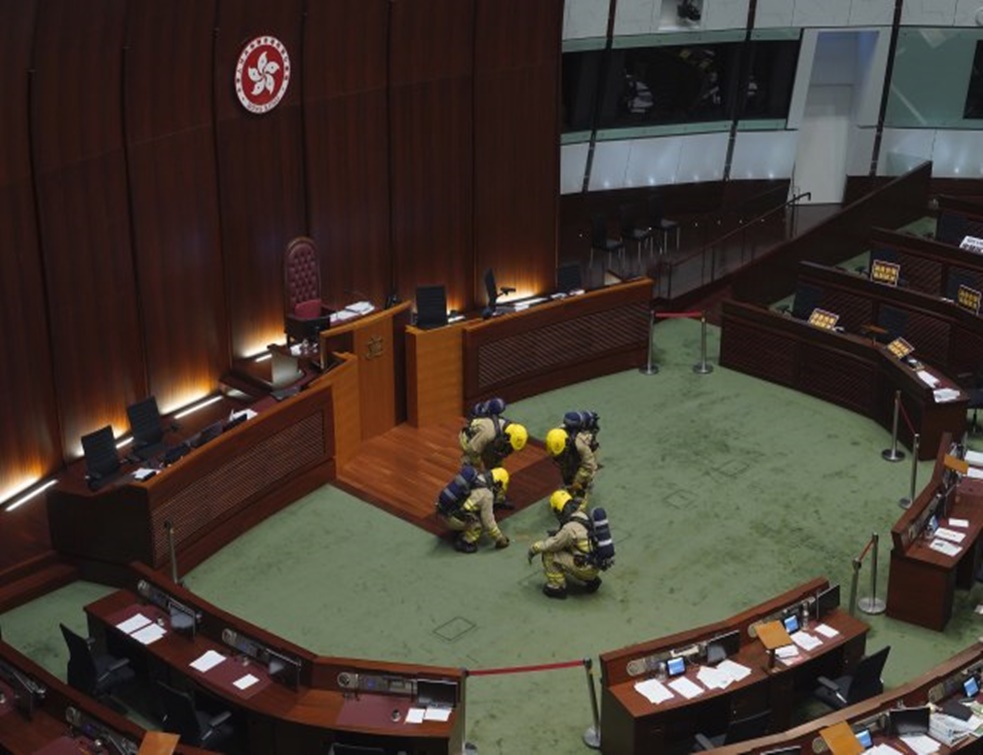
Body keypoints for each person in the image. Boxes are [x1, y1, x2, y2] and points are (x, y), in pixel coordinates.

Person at [527, 490, 601, 599]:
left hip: (585, 567)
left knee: (549, 554)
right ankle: (592, 580)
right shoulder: (584, 516)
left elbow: (552, 545)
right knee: (577, 549)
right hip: (596, 563)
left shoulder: (569, 528)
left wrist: (535, 548)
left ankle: (557, 587)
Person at [437, 467, 511, 554]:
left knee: (470, 512)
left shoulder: (477, 478)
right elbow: (489, 523)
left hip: (444, 511)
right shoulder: (487, 495)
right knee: (478, 525)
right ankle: (465, 542)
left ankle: (459, 528)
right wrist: (500, 539)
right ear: (497, 485)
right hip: (451, 519)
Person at [459, 401, 528, 471]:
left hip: (484, 439)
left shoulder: (510, 428)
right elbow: (472, 449)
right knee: (472, 470)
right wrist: (478, 466)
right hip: (470, 439)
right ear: (507, 437)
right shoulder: (488, 433)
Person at [544, 412, 599, 501]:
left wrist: (576, 482)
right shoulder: (555, 437)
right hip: (570, 450)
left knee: (582, 478)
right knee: (567, 470)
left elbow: (590, 466)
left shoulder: (580, 443)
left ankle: (583, 489)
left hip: (587, 454)